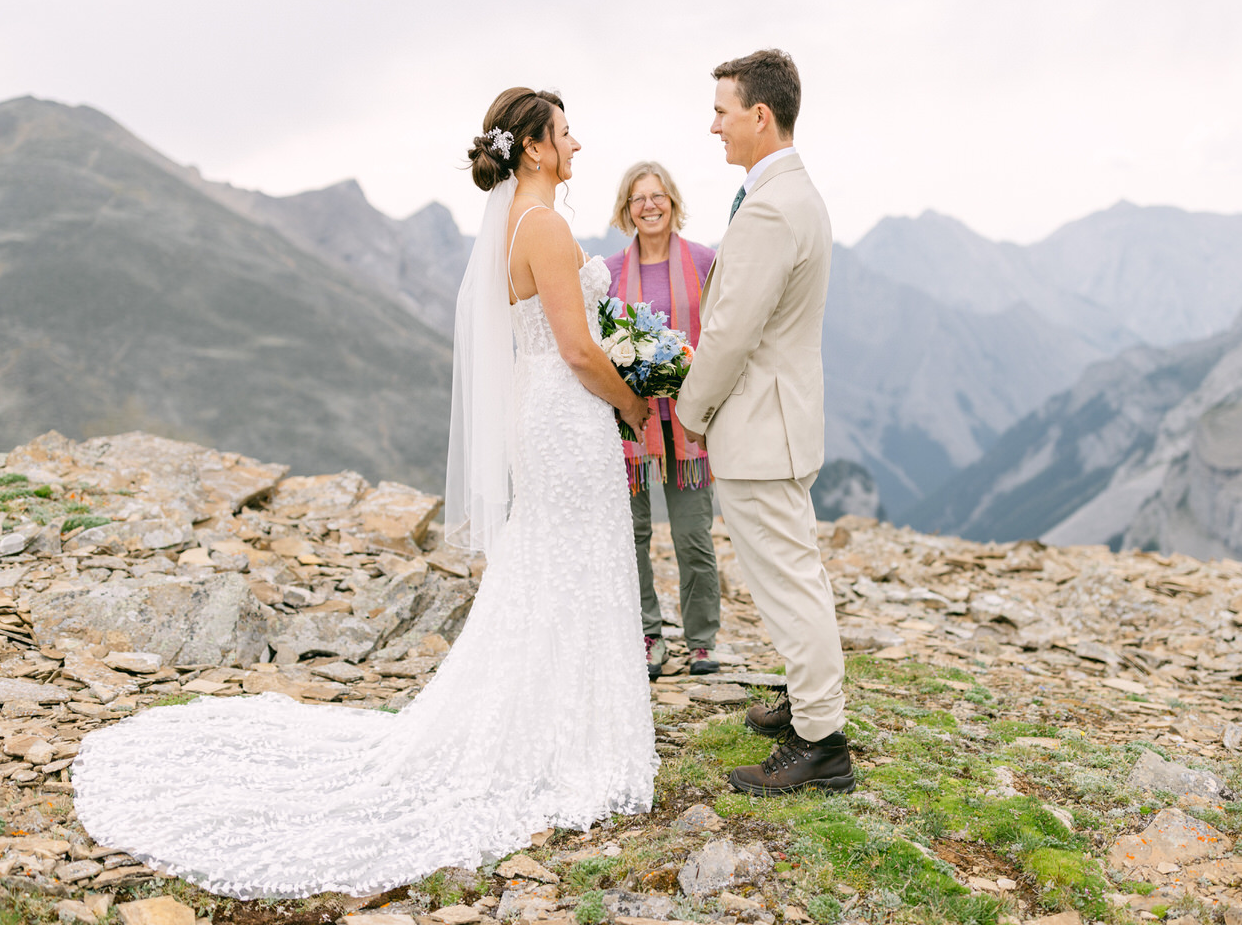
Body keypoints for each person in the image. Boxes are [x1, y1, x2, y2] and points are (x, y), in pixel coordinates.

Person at [71, 87, 659, 898]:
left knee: (552, 567)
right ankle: (566, 739)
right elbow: (578, 350)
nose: (578, 145)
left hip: (545, 415)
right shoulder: (547, 225)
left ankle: (554, 722)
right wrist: (633, 401)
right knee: (575, 563)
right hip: (569, 416)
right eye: (566, 133)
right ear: (533, 147)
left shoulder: (514, 228)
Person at [674, 49, 853, 797]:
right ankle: (806, 701)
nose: (711, 124)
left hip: (759, 425)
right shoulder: (784, 193)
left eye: (721, 110)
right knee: (789, 575)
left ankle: (821, 742)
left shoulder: (774, 205)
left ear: (759, 114)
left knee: (788, 582)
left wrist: (689, 412)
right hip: (777, 419)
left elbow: (732, 332)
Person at [602, 162, 723, 680]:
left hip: (689, 421)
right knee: (632, 535)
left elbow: (722, 329)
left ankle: (701, 641)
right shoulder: (607, 274)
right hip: (630, 421)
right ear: (626, 210)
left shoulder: (705, 261)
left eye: (657, 197)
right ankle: (647, 634)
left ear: (673, 201)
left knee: (693, 535)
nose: (649, 206)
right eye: (637, 199)